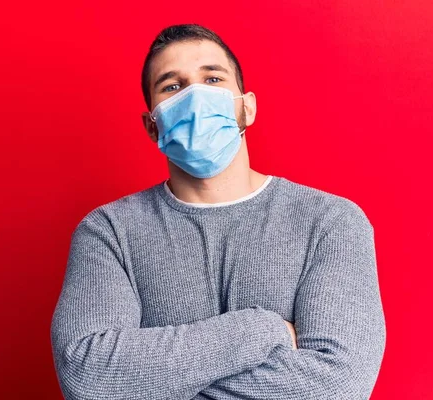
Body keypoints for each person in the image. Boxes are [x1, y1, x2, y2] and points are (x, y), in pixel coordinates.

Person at [50, 23, 386, 400]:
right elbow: (87, 377)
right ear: (151, 125)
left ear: (247, 107)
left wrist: (148, 383)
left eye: (212, 79)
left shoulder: (331, 223)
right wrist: (264, 330)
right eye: (172, 87)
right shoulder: (108, 232)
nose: (195, 97)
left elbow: (339, 386)